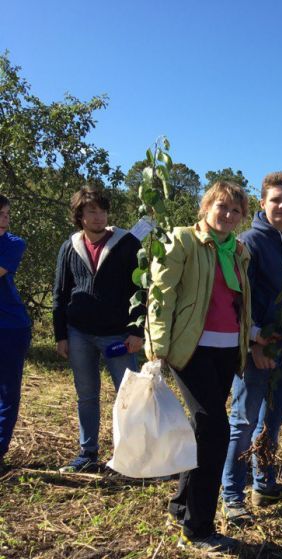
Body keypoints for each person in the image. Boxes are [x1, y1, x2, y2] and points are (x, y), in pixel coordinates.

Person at [147, 181, 251, 553]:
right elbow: (162, 295)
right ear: (206, 206)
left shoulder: (237, 251)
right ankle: (198, 528)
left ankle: (180, 505)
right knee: (215, 431)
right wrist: (157, 347)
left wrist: (251, 338)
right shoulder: (182, 241)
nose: (227, 214)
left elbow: (237, 304)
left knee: (201, 428)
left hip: (226, 352)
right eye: (221, 206)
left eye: (235, 210)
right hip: (190, 350)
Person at [221, 172, 282, 520]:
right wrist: (254, 343)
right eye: (276, 200)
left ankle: (264, 484)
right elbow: (239, 300)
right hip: (258, 347)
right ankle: (232, 494)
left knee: (271, 423)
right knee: (243, 421)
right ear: (262, 203)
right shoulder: (250, 242)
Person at [52, 187, 144, 472]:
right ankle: (87, 453)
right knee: (87, 394)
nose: (98, 216)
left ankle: (130, 457)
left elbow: (140, 287)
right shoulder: (70, 247)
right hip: (79, 332)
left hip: (118, 333)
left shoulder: (127, 242)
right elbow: (60, 291)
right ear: (79, 215)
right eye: (91, 211)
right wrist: (61, 334)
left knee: (128, 396)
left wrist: (137, 330)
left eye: (102, 210)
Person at [0, 195, 32, 475]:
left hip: (10, 327)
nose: (6, 217)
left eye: (7, 212)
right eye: (1, 213)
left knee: (7, 391)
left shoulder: (13, 243)